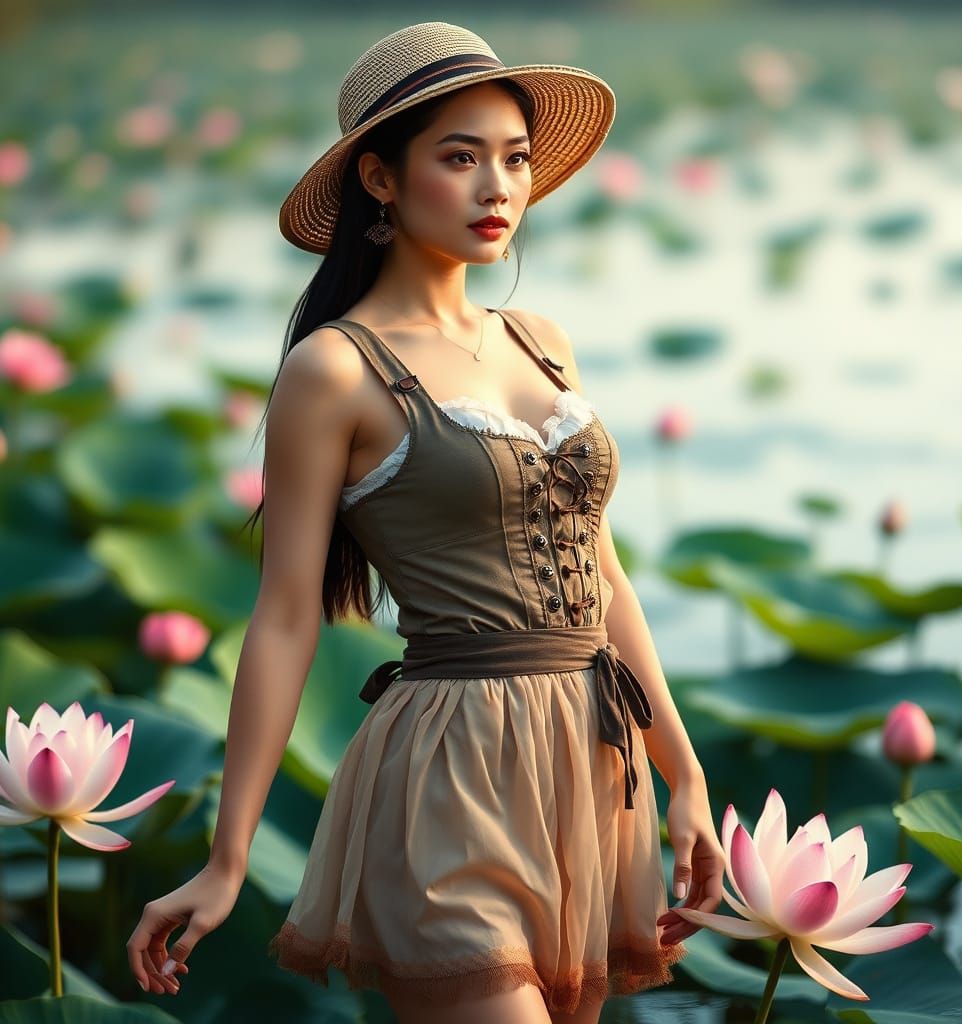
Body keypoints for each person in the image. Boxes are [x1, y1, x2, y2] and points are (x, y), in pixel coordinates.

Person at [126, 21, 725, 1024]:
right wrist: (229, 859)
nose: (499, 188)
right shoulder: (335, 370)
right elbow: (283, 618)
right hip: (451, 764)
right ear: (381, 180)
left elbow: (607, 579)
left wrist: (688, 777)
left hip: (589, 761)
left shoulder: (542, 343)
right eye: (459, 158)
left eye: (515, 158)